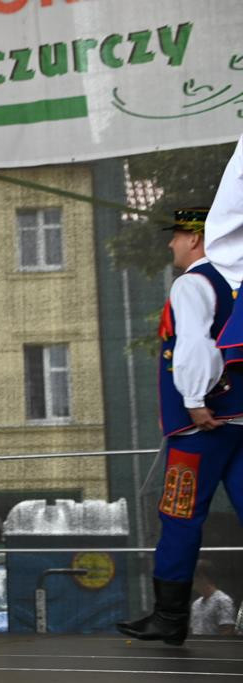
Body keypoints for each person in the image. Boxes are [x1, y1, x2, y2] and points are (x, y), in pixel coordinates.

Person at [117, 207, 243, 646]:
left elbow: (194, 343)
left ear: (195, 238)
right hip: (240, 419)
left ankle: (170, 618)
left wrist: (193, 399)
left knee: (179, 514)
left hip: (202, 425)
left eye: (176, 236)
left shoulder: (194, 282)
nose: (171, 244)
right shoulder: (238, 281)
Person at [189, 560, 236, 636]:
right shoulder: (196, 604)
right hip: (196, 646)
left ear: (202, 577)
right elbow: (194, 631)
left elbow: (227, 632)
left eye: (192, 577)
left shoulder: (223, 601)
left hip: (216, 647)